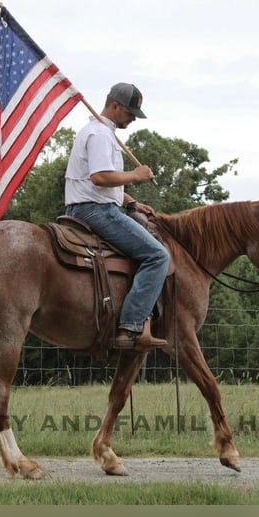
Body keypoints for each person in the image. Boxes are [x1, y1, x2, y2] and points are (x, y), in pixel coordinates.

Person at [64, 82, 170, 352]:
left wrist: (131, 201)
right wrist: (137, 175)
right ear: (115, 106)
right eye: (131, 112)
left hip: (90, 205)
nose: (134, 118)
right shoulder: (99, 134)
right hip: (95, 211)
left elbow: (104, 181)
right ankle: (131, 326)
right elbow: (100, 178)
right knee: (158, 256)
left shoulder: (100, 133)